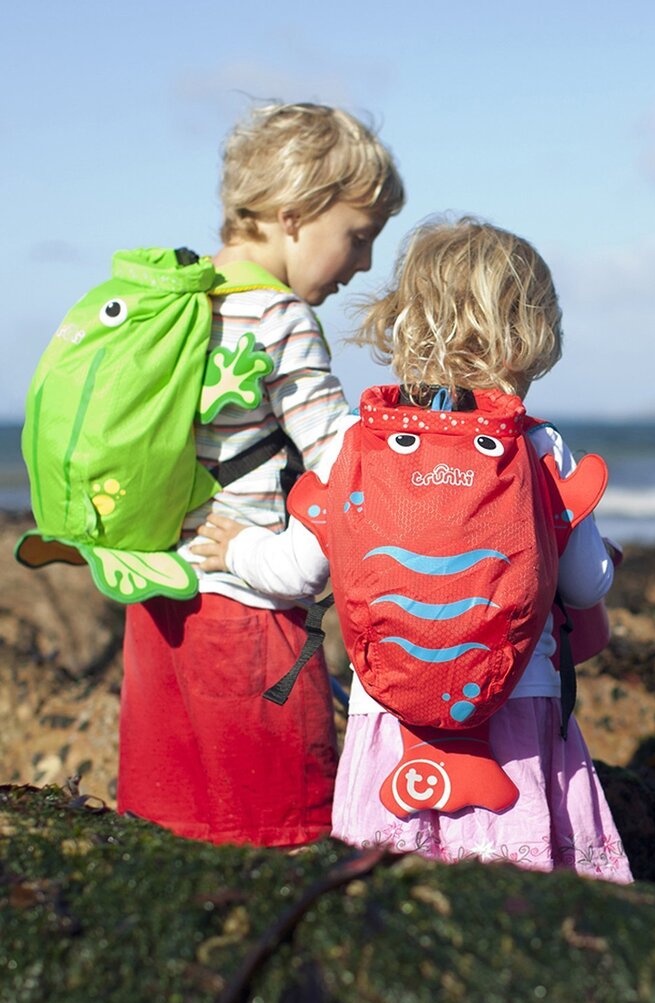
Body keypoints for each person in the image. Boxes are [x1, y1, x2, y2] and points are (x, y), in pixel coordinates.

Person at [192, 218, 632, 879]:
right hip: (521, 707)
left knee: (385, 895)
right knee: (528, 899)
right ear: (531, 337)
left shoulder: (356, 448)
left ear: (405, 323)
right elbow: (586, 586)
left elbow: (296, 575)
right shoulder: (539, 448)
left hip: (389, 723)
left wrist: (236, 553)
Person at [116, 103, 404, 846]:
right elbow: (341, 459)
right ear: (295, 214)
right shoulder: (277, 319)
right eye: (359, 236)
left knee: (168, 834)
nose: (365, 264)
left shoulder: (171, 305)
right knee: (282, 834)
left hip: (153, 598)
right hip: (248, 614)